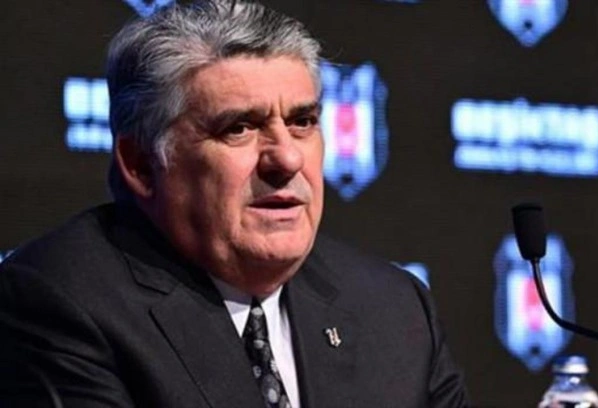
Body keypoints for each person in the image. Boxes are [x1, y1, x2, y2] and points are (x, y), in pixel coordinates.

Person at [0, 1, 471, 407]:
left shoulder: (396, 310)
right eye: (239, 128)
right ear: (142, 164)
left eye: (302, 122)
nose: (287, 158)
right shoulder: (58, 302)